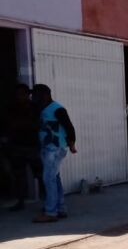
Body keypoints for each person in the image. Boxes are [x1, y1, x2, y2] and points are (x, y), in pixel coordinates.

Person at [31, 84, 76, 223]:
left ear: (45, 95)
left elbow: (69, 126)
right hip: (49, 147)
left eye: (36, 95)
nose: (34, 98)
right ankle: (60, 208)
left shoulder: (57, 109)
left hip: (55, 149)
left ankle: (51, 212)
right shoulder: (43, 109)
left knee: (48, 179)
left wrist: (72, 143)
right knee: (54, 178)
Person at [4, 84, 44, 212]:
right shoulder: (12, 108)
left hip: (32, 146)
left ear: (28, 95)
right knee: (19, 176)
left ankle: (47, 202)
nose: (20, 97)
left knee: (40, 175)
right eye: (18, 94)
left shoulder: (35, 108)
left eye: (23, 94)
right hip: (17, 146)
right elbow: (9, 125)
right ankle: (20, 201)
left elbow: (37, 124)